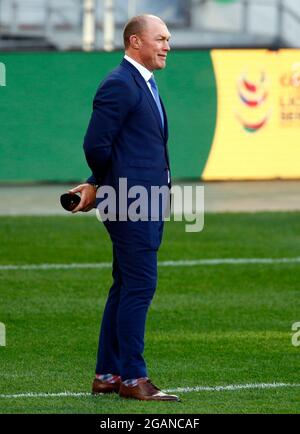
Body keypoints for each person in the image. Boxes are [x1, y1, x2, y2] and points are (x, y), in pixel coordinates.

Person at [69, 14, 179, 402]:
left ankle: (108, 373)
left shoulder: (142, 82)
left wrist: (99, 182)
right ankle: (133, 378)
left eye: (168, 38)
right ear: (135, 42)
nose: (167, 45)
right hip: (131, 202)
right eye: (160, 38)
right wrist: (103, 183)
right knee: (140, 286)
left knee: (125, 286)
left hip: (143, 200)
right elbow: (96, 144)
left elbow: (120, 146)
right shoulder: (120, 83)